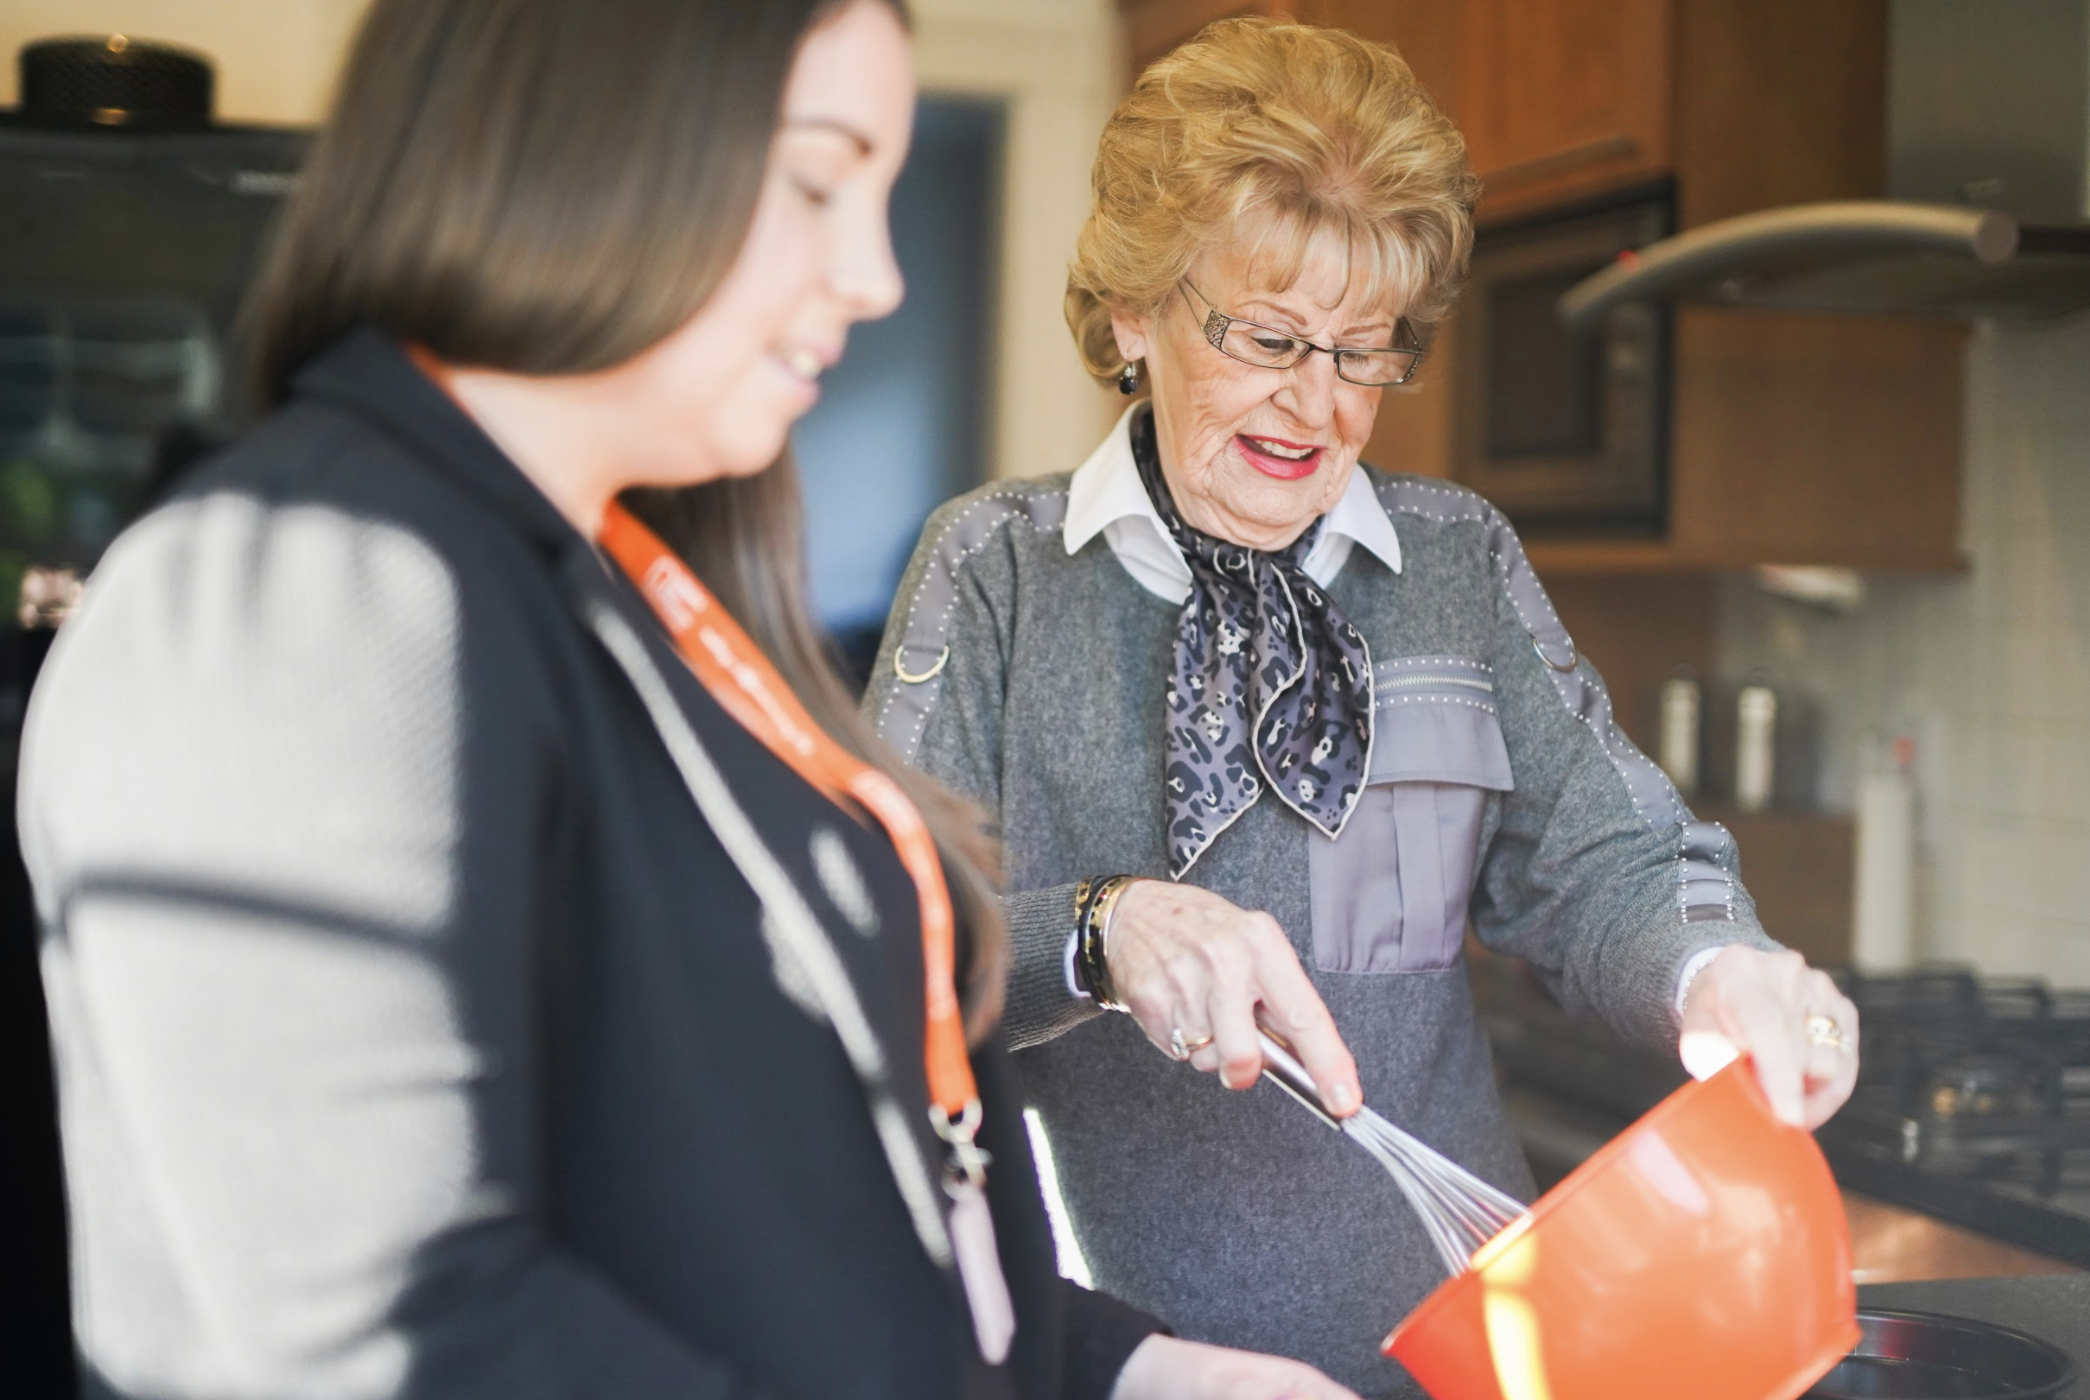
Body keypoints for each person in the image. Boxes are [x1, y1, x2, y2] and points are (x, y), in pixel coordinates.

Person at [18, 2, 1365, 1397]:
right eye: (813, 179)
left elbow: (778, 1208)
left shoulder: (656, 597)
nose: (873, 275)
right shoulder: (300, 592)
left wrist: (1129, 1372)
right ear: (577, 137)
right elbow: (382, 1337)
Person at [866, 17, 1863, 1397]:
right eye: (1268, 337)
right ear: (1133, 313)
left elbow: (1610, 858)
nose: (1316, 406)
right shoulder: (996, 571)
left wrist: (1718, 968)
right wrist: (1105, 930)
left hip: (1464, 1350)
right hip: (1128, 1359)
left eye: (1365, 350)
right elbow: (883, 938)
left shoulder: (1452, 562)